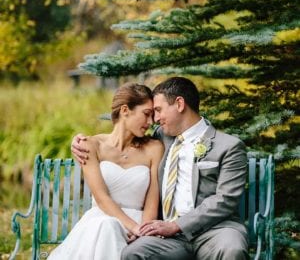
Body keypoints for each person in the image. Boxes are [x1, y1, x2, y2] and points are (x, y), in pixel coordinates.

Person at [73, 77, 249, 260]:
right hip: (170, 237)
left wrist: (177, 225)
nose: (155, 119)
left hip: (215, 231)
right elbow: (121, 138)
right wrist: (79, 142)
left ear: (179, 104)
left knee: (232, 249)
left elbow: (226, 199)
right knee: (133, 253)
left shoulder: (228, 146)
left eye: (158, 110)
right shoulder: (161, 138)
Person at [48, 82, 164, 260]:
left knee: (107, 228)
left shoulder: (154, 148)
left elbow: (152, 199)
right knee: (107, 227)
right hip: (101, 221)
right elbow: (101, 198)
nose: (151, 122)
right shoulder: (91, 145)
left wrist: (142, 230)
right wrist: (132, 226)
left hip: (140, 222)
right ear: (125, 110)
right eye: (146, 114)